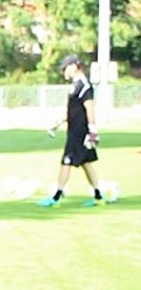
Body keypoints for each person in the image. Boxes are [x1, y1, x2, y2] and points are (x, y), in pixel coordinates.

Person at [38, 55, 107, 208]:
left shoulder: (84, 85)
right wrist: (58, 123)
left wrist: (92, 131)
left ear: (75, 66)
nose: (64, 70)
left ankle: (56, 198)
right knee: (86, 163)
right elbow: (71, 110)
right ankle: (98, 196)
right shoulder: (75, 85)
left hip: (80, 132)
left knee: (66, 161)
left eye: (66, 67)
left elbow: (89, 107)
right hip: (74, 130)